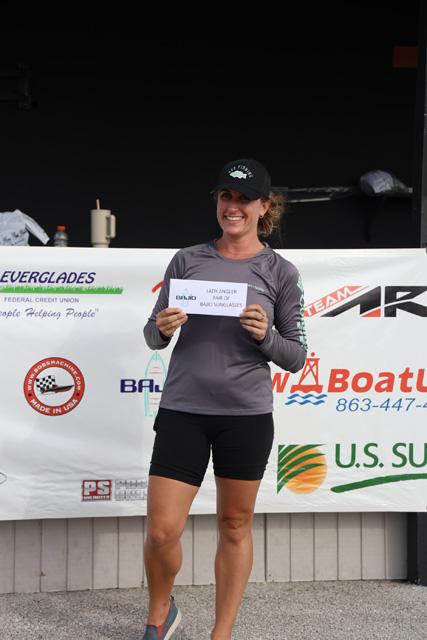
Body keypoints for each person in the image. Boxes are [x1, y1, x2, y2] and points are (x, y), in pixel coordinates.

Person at [142, 157, 307, 640]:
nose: (233, 207)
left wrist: (265, 336)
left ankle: (222, 633)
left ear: (264, 207)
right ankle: (161, 613)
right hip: (183, 411)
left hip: (245, 416)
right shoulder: (187, 260)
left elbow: (296, 356)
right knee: (161, 531)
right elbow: (152, 335)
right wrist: (162, 328)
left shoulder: (280, 270)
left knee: (234, 525)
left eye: (244, 199)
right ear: (217, 201)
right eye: (226, 197)